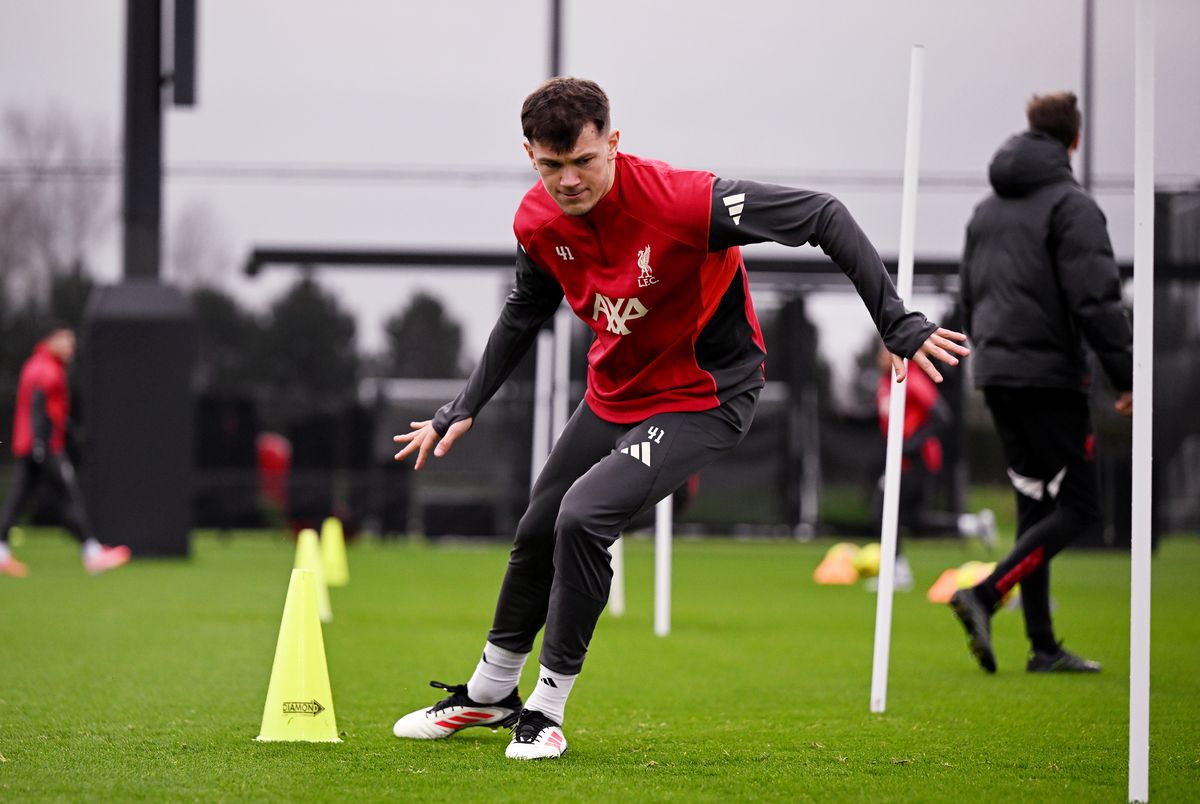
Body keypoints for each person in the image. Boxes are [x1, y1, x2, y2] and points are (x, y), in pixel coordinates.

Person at [390, 77, 969, 760]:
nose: (569, 180)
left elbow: (823, 215)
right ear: (530, 156)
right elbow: (525, 309)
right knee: (538, 527)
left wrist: (896, 321)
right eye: (551, 165)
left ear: (613, 141)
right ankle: (490, 694)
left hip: (706, 397)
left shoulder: (686, 202)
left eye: (583, 161)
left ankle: (545, 710)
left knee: (583, 517)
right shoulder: (537, 221)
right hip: (614, 395)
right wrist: (462, 406)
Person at [950, 92, 1133, 674]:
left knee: (1035, 505)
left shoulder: (984, 212)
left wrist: (991, 355)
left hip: (997, 374)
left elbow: (968, 295)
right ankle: (984, 594)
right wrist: (1127, 377)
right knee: (1080, 507)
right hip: (1049, 376)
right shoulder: (1073, 207)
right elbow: (1096, 299)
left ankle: (1043, 646)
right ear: (1074, 140)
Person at [0, 324, 131, 577]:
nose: (71, 347)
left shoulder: (37, 365)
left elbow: (52, 412)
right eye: (66, 341)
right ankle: (92, 552)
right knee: (68, 496)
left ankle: (1, 552)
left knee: (19, 500)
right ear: (51, 340)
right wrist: (41, 445)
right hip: (44, 446)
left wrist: (67, 434)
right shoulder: (47, 369)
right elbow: (39, 407)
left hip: (31, 445)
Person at [870, 344, 996, 592]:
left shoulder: (912, 378)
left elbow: (941, 416)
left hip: (919, 460)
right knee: (913, 519)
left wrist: (911, 445)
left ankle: (897, 571)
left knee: (883, 509)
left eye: (887, 350)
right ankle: (972, 525)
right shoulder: (885, 382)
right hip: (900, 460)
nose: (882, 355)